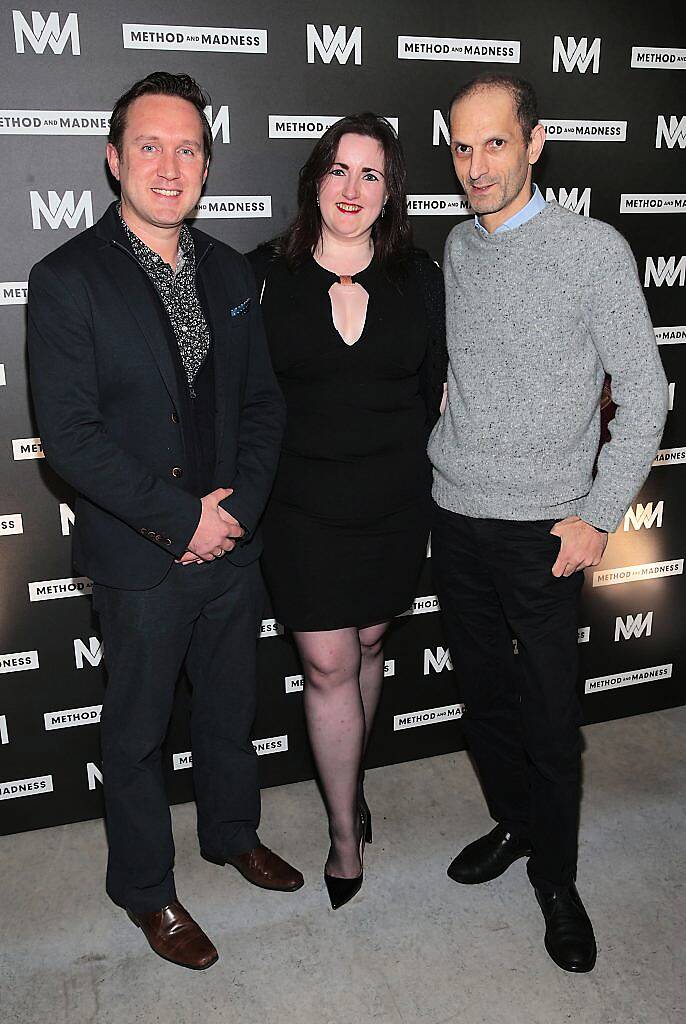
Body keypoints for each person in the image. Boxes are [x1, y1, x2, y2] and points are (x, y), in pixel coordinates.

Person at [27, 71, 303, 972]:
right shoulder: (66, 279)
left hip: (232, 549)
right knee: (137, 735)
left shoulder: (231, 270)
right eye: (149, 145)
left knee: (229, 712)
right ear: (113, 159)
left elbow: (263, 404)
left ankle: (232, 835)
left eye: (188, 147)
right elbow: (68, 437)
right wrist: (178, 520)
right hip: (140, 556)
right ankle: (146, 890)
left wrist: (236, 515)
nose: (169, 164)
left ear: (208, 164)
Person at [429, 73, 668, 973]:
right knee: (485, 702)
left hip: (548, 535)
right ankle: (518, 825)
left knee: (549, 715)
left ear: (536, 143)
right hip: (456, 516)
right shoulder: (454, 246)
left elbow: (646, 392)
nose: (477, 165)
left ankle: (557, 880)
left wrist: (598, 514)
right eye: (462, 146)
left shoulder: (592, 249)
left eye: (495, 143)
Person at [249, 114, 446, 910]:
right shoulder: (264, 273)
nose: (352, 189)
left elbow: (438, 386)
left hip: (396, 503)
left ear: (390, 187)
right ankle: (341, 833)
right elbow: (243, 399)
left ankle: (350, 781)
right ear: (314, 181)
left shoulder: (421, 275)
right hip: (301, 510)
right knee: (329, 663)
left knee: (368, 645)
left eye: (370, 173)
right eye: (338, 170)